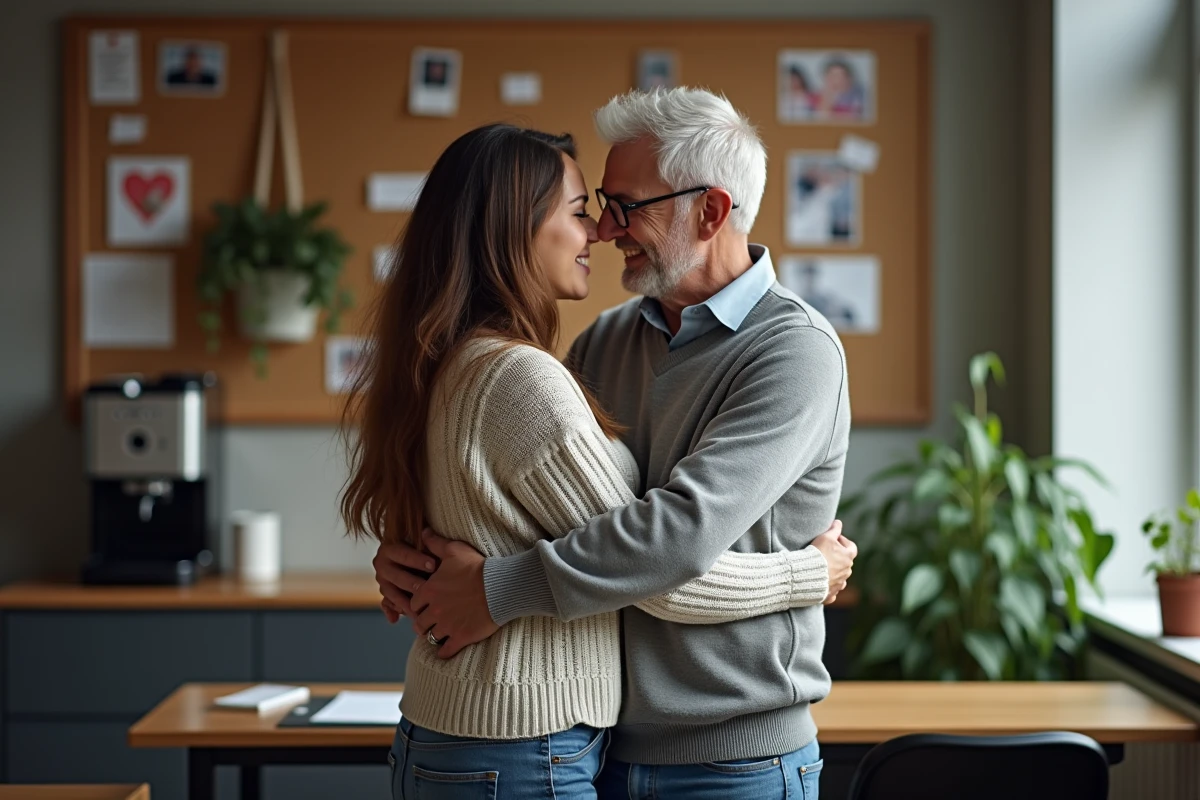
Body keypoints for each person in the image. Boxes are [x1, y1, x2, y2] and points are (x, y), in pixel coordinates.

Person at [340, 122, 857, 800]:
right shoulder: (600, 344)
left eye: (622, 207)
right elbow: (610, 543)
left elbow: (670, 544)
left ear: (711, 211)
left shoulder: (795, 351)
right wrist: (807, 573)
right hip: (595, 745)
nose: (606, 230)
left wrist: (494, 588)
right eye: (590, 208)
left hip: (732, 760)